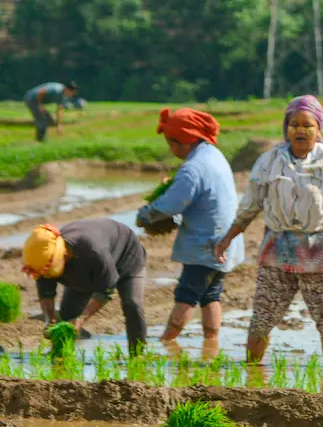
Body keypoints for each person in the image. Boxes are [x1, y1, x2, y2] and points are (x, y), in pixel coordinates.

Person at [214, 95, 323, 366]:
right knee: (262, 317)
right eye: (294, 124)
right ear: (286, 129)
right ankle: (251, 375)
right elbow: (250, 205)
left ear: (319, 130)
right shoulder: (269, 161)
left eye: (308, 125)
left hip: (322, 254)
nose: (300, 130)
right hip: (278, 252)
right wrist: (228, 238)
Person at [137, 107, 244, 351]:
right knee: (211, 294)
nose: (170, 149)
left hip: (206, 243)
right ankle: (211, 344)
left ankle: (166, 342)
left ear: (183, 141)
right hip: (223, 239)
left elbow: (173, 203)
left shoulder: (193, 167)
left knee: (187, 294)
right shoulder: (213, 155)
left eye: (170, 143)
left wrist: (145, 215)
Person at [23, 219, 147, 354]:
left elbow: (105, 291)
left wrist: (81, 319)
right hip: (84, 268)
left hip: (126, 256)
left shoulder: (93, 251)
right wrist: (50, 319)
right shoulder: (42, 262)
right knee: (67, 315)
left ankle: (137, 356)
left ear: (61, 256)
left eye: (49, 271)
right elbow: (46, 294)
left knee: (132, 304)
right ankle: (60, 356)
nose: (46, 275)